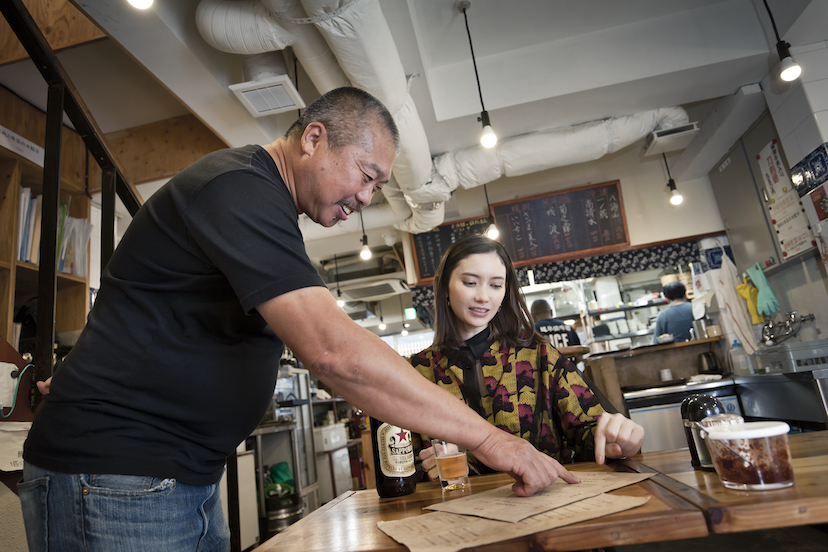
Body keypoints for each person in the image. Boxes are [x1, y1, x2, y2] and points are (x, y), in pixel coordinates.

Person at [20, 88, 576, 552]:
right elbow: (334, 354)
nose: (366, 195)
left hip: (175, 475)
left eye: (378, 186)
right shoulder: (238, 188)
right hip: (117, 475)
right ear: (313, 138)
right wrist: (492, 441)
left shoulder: (265, 211)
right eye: (365, 174)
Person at [410, 234, 644, 482]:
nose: (483, 297)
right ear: (445, 286)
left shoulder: (538, 354)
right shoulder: (419, 370)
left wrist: (617, 439)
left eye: (496, 285)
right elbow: (402, 461)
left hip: (548, 503)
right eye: (470, 283)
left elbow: (588, 431)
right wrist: (427, 468)